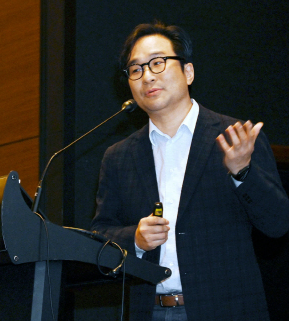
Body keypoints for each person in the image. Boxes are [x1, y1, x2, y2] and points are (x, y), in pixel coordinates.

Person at [91, 22, 289, 321]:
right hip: (149, 311)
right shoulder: (119, 157)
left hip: (227, 310)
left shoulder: (234, 137)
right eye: (136, 69)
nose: (148, 76)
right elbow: (100, 234)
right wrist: (136, 239)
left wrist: (242, 172)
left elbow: (277, 224)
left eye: (158, 62)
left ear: (188, 72)